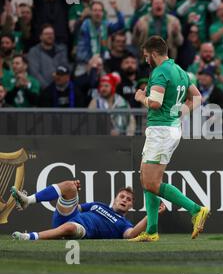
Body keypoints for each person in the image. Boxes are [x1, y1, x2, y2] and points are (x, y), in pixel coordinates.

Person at [132, 35, 209, 242]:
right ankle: (151, 230)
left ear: (154, 53)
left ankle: (196, 209)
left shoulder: (160, 72)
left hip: (161, 131)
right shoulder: (180, 71)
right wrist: (180, 112)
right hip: (168, 128)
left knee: (151, 182)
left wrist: (141, 98)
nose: (146, 60)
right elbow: (198, 97)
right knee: (145, 179)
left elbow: (155, 104)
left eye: (146, 56)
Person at [10, 180, 165, 240]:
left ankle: (28, 237)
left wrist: (152, 214)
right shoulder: (98, 205)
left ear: (131, 206)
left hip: (81, 230)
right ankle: (27, 200)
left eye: (128, 199)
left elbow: (131, 235)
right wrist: (71, 195)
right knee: (69, 186)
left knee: (70, 227)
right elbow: (76, 207)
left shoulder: (123, 224)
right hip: (67, 217)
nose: (124, 200)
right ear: (115, 199)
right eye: (122, 196)